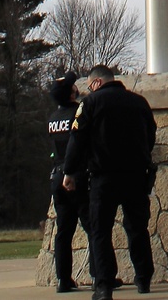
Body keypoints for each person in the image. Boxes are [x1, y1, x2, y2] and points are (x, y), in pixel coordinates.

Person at [63, 64, 157, 300]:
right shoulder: (139, 102)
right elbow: (151, 134)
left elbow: (77, 138)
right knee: (137, 228)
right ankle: (144, 278)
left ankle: (104, 286)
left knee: (100, 231)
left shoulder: (91, 103)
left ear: (96, 83)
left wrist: (70, 171)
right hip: (136, 176)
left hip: (104, 177)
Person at [47, 71, 102, 294]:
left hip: (57, 175)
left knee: (64, 231)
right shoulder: (78, 114)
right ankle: (99, 275)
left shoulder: (52, 119)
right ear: (71, 92)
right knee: (93, 227)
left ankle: (63, 278)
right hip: (77, 175)